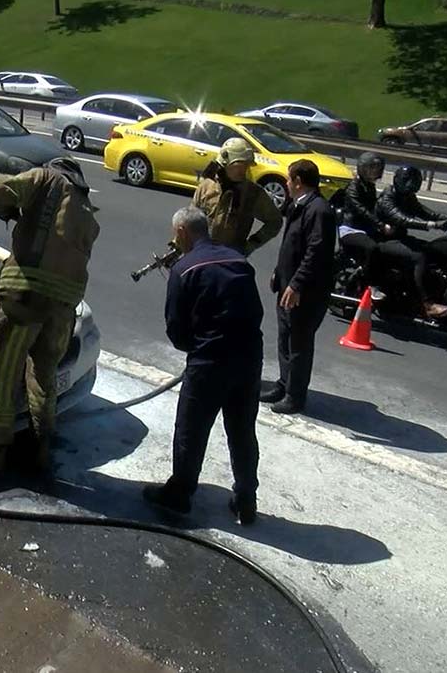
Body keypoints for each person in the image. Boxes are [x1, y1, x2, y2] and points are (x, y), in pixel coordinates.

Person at [144, 206, 264, 524]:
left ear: (182, 232)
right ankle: (246, 499)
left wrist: (196, 350)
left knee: (191, 430)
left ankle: (180, 494)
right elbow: (256, 310)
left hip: (209, 362)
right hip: (249, 359)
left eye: (176, 234)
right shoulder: (238, 260)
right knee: (242, 430)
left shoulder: (184, 269)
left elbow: (176, 327)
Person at [0, 157, 101, 472]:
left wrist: (9, 212)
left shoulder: (46, 179)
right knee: (44, 375)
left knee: (4, 371)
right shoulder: (86, 211)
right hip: (62, 310)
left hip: (25, 299)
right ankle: (42, 444)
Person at [260, 160, 336, 415]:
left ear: (299, 182)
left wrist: (296, 283)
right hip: (288, 286)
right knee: (285, 338)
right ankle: (284, 383)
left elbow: (317, 252)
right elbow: (291, 245)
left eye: (288, 179)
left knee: (299, 344)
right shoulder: (298, 206)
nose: (286, 184)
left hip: (305, 293)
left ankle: (295, 395)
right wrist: (279, 274)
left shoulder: (319, 211)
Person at [375, 165, 447, 318]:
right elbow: (401, 219)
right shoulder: (388, 197)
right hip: (383, 240)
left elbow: (425, 212)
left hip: (399, 238)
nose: (410, 184)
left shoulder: (408, 197)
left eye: (413, 181)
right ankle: (428, 304)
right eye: (407, 181)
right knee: (419, 257)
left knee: (432, 250)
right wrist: (431, 225)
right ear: (398, 180)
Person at [191, 137, 283, 256]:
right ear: (226, 163)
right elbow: (191, 218)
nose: (243, 170)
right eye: (238, 165)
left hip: (229, 258)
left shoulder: (253, 193)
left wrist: (251, 245)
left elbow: (275, 221)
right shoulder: (206, 186)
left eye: (246, 165)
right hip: (201, 254)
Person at [337, 152, 386, 300]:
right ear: (363, 169)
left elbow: (374, 208)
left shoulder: (369, 186)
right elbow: (362, 210)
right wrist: (380, 224)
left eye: (377, 168)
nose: (375, 171)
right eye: (372, 168)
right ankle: (371, 285)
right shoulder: (353, 187)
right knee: (372, 247)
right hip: (350, 229)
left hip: (366, 227)